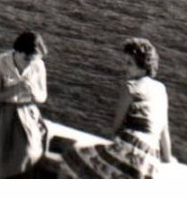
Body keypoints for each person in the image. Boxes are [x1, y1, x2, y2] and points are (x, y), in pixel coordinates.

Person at [58, 37, 175, 178]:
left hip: (129, 153)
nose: (125, 67)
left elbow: (116, 128)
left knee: (71, 157)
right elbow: (164, 130)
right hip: (150, 162)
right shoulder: (161, 89)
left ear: (142, 66)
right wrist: (168, 158)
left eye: (129, 63)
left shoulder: (130, 87)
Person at [0, 31, 51, 178]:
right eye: (27, 58)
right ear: (18, 51)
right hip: (1, 113)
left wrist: (33, 92)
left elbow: (42, 96)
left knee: (30, 151)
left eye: (34, 60)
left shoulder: (38, 65)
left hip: (25, 111)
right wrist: (14, 90)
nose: (30, 63)